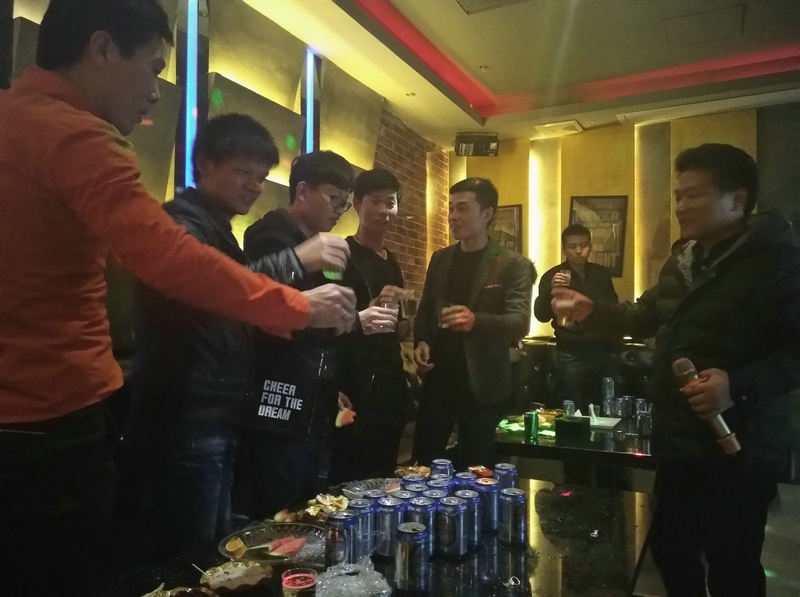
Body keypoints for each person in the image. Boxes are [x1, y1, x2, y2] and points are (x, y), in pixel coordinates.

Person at [0, 2, 354, 595]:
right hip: (56, 415)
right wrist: (297, 304)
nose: (155, 93)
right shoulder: (76, 135)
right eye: (154, 68)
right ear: (103, 48)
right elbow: (171, 261)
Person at [553, 144, 800, 597]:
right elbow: (643, 315)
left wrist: (738, 385)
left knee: (732, 563)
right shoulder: (685, 260)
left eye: (694, 195)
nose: (681, 206)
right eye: (678, 196)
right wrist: (592, 310)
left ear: (737, 199)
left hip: (740, 444)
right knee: (670, 547)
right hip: (680, 438)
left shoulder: (776, 261)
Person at [124, 114, 353, 556]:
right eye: (243, 172)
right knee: (186, 558)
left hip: (216, 414)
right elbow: (217, 291)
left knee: (215, 552)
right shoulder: (179, 224)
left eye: (261, 177)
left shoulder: (219, 231)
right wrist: (296, 260)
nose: (254, 186)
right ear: (204, 165)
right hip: (185, 416)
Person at [239, 151, 398, 517]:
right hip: (279, 396)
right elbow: (268, 311)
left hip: (313, 393)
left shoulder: (321, 243)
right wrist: (354, 321)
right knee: (278, 505)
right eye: (333, 198)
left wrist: (329, 380)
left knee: (311, 504)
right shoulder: (271, 233)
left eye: (344, 202)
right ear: (302, 191)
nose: (339, 209)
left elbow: (321, 315)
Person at [412, 178, 535, 469]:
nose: (452, 216)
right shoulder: (440, 259)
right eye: (450, 208)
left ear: (487, 214)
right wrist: (422, 341)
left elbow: (519, 322)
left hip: (483, 383)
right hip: (438, 380)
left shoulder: (511, 263)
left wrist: (475, 320)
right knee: (423, 465)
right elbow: (426, 310)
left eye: (463, 208)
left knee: (478, 468)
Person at [330, 169, 412, 484]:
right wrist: (367, 310)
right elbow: (327, 320)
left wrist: (409, 324)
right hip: (354, 383)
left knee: (386, 476)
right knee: (350, 476)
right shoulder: (342, 256)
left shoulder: (392, 261)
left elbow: (397, 330)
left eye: (390, 203)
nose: (383, 210)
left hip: (390, 386)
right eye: (374, 202)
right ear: (357, 205)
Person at [533, 224, 620, 411]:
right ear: (564, 249)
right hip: (570, 348)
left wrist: (576, 287)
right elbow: (541, 315)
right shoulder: (552, 275)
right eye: (572, 246)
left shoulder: (601, 274)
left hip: (601, 346)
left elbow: (612, 309)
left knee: (604, 403)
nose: (579, 251)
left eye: (583, 245)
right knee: (573, 404)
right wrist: (550, 291)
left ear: (590, 247)